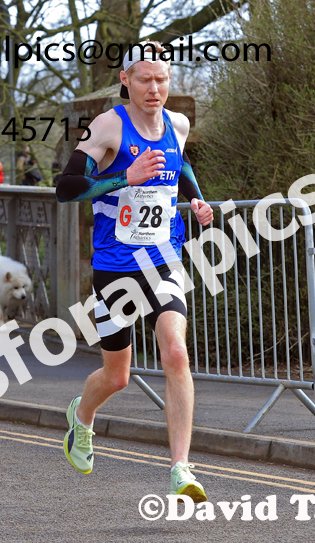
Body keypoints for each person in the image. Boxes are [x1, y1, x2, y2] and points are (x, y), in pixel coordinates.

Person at [55, 41, 214, 502]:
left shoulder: (177, 124)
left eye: (162, 79)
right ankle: (81, 419)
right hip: (114, 268)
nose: (154, 88)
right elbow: (66, 189)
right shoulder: (107, 126)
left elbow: (179, 165)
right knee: (118, 376)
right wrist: (126, 177)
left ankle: (181, 469)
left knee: (176, 353)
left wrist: (197, 199)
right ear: (125, 80)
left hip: (163, 259)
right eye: (144, 78)